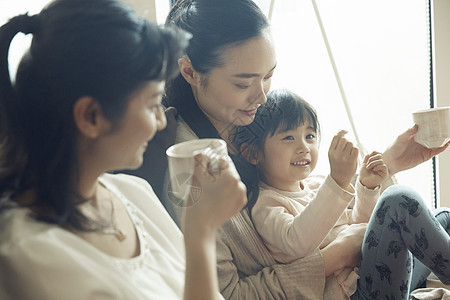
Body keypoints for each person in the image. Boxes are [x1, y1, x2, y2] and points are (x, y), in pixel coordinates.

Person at [124, 0, 450, 298]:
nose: (262, 95)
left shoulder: (245, 120)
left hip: (351, 265)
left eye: (269, 76)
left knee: (441, 218)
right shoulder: (191, 171)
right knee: (401, 207)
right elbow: (230, 293)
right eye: (243, 83)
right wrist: (332, 257)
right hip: (339, 285)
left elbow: (309, 194)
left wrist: (386, 163)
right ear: (190, 72)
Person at [0, 0, 247, 299]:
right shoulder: (27, 258)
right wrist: (201, 234)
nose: (160, 121)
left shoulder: (133, 192)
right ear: (91, 116)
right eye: (152, 103)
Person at [233, 89, 450, 299]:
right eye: (288, 138)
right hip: (357, 292)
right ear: (252, 153)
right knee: (398, 200)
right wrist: (337, 182)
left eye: (309, 136)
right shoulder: (266, 204)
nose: (304, 147)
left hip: (379, 275)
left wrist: (367, 186)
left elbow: (360, 227)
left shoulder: (315, 185)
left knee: (444, 217)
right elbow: (297, 241)